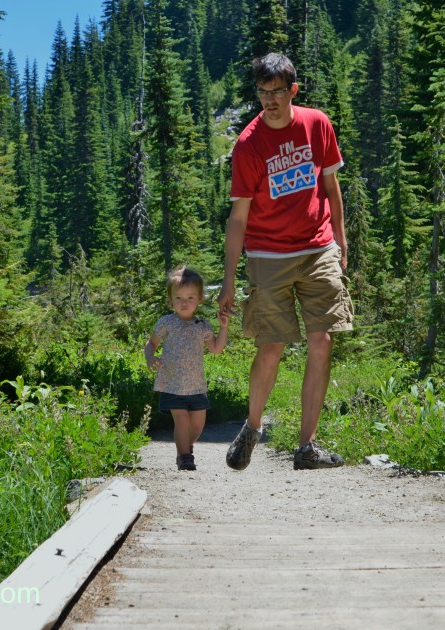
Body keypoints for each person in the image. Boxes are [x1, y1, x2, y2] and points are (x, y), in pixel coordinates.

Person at [218, 52, 353, 471]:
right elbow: (238, 218)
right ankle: (252, 428)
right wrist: (228, 280)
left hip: (318, 248)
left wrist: (342, 242)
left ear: (293, 89)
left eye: (277, 92)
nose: (269, 100)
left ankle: (306, 447)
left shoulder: (317, 124)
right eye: (262, 92)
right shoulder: (248, 145)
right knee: (271, 346)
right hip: (268, 254)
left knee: (322, 340)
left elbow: (331, 187)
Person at [145, 266, 230, 470]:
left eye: (190, 297)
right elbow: (152, 343)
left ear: (200, 298)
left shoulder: (202, 326)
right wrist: (150, 357)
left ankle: (187, 446)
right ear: (170, 299)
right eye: (179, 298)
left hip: (196, 385)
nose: (184, 303)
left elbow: (217, 349)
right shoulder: (166, 323)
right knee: (181, 421)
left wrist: (224, 327)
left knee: (198, 424)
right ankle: (184, 457)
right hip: (172, 383)